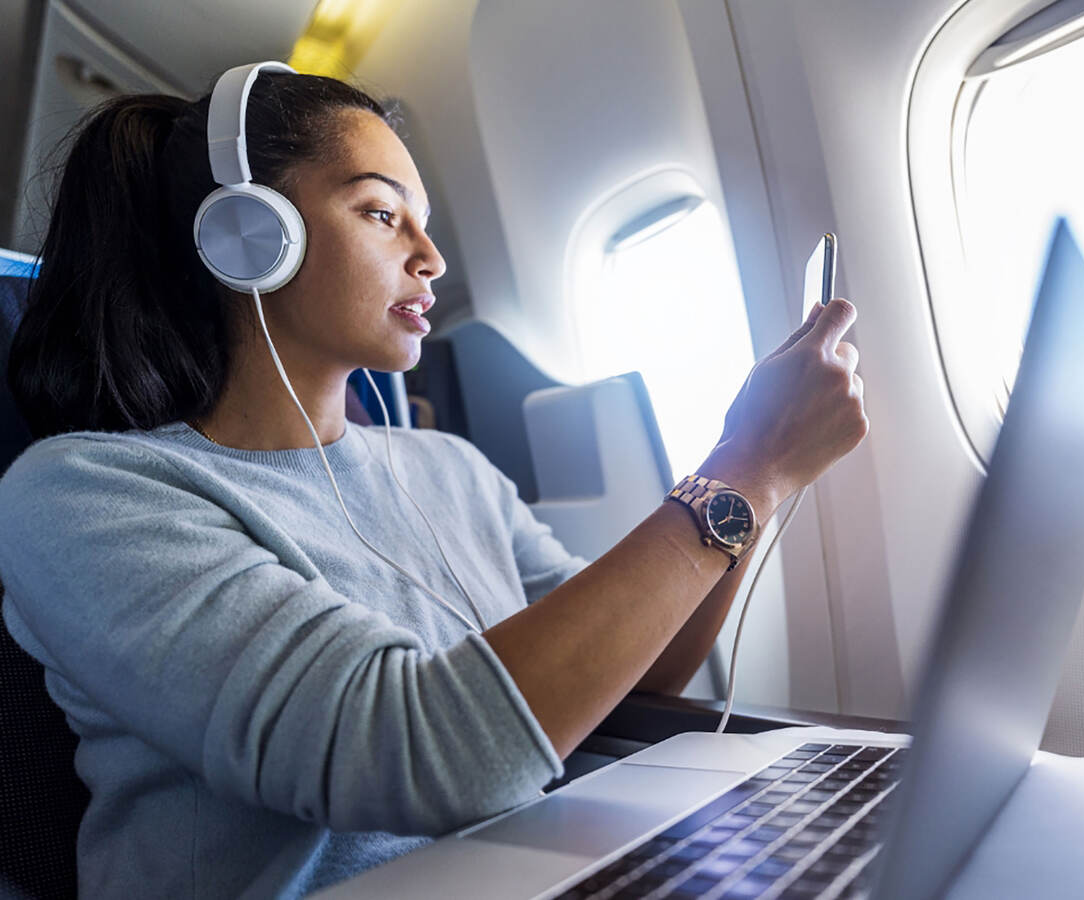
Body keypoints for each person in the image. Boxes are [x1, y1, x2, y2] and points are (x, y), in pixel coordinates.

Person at [0, 70, 867, 898]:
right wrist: (748, 466)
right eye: (383, 213)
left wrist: (758, 478)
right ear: (248, 234)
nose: (431, 258)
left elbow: (629, 686)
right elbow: (411, 750)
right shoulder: (84, 494)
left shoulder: (449, 467)